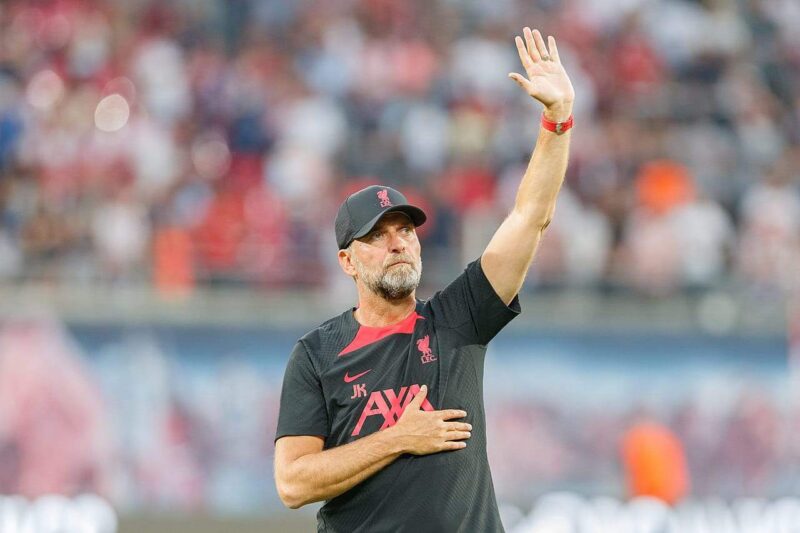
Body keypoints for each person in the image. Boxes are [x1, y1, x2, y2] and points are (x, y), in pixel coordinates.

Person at [273, 27, 574, 532]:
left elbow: (529, 218)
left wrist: (557, 119)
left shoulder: (457, 319)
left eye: (406, 230)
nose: (398, 242)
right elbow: (293, 484)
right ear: (347, 262)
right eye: (379, 235)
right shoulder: (317, 354)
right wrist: (398, 436)